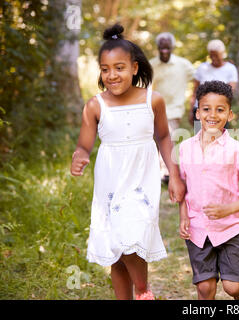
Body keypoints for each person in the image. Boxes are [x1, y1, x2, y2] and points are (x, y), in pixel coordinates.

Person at [70, 24, 185, 300]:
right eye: (105, 69)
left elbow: (165, 137)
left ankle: (143, 290)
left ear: (134, 68)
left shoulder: (152, 100)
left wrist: (175, 175)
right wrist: (80, 155)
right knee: (116, 248)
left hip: (141, 180)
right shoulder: (95, 105)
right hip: (110, 181)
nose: (111, 75)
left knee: (132, 237)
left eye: (119, 68)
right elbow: (84, 143)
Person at [179, 81, 239, 300]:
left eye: (220, 109)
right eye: (206, 109)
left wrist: (228, 209)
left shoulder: (237, 150)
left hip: (230, 229)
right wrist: (183, 216)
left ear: (230, 114)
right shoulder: (185, 148)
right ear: (197, 113)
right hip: (198, 229)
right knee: (205, 289)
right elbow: (183, 188)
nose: (212, 115)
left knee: (232, 288)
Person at [150, 32, 195, 184]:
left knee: (168, 139)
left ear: (172, 47)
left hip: (174, 110)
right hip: (154, 110)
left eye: (167, 46)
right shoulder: (152, 65)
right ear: (157, 47)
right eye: (161, 46)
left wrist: (194, 101)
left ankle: (167, 174)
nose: (164, 49)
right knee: (155, 142)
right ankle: (159, 173)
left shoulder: (183, 64)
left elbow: (198, 79)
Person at [189, 39, 238, 132]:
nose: (214, 58)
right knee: (200, 139)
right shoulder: (202, 68)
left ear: (222, 54)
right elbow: (195, 91)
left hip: (220, 111)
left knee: (219, 140)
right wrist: (191, 110)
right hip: (201, 110)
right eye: (211, 55)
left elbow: (230, 93)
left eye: (216, 55)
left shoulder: (230, 69)